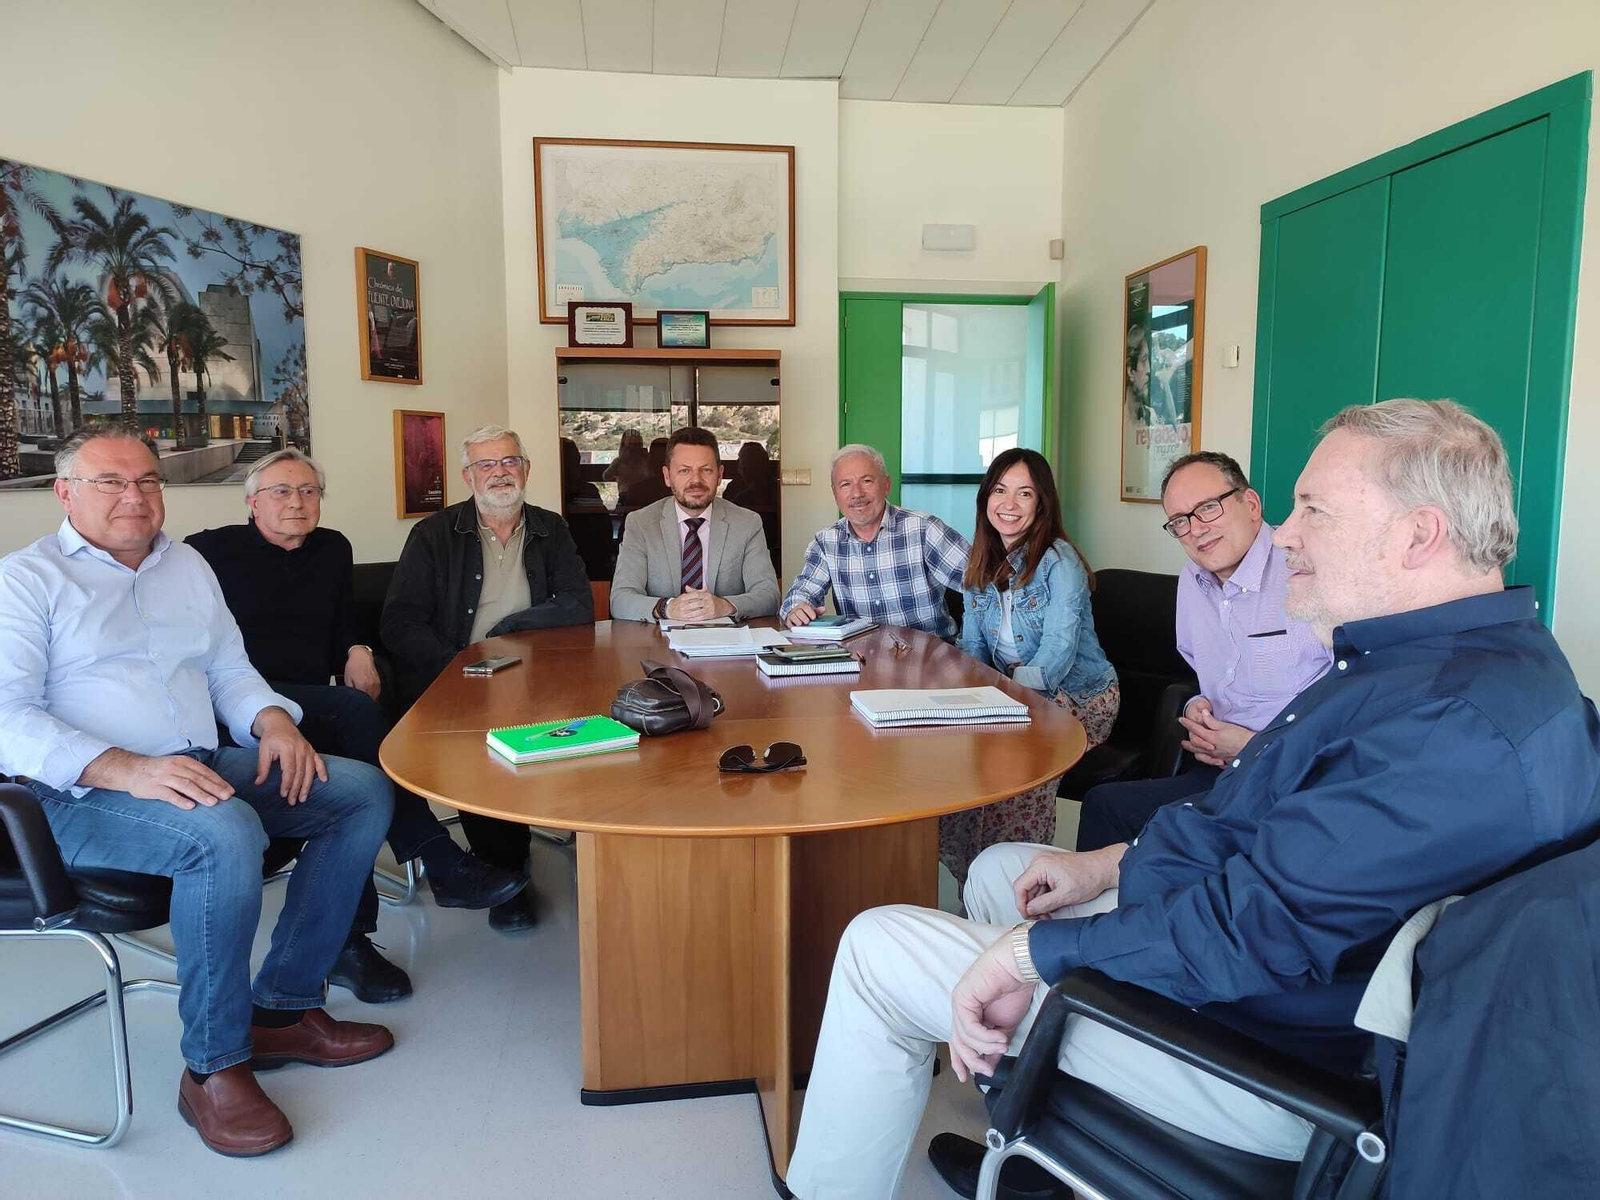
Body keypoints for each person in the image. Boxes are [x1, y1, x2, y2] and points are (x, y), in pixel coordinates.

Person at [785, 399, 1600, 1200]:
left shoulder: (1451, 728)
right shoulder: (1424, 668)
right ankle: (1038, 1152)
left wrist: (1038, 957)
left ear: (1420, 533)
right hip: (1243, 981)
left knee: (877, 943)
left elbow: (1251, 930)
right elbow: (1257, 825)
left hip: (1253, 1055)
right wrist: (1108, 864)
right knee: (1006, 866)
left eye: (1313, 509)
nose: (1286, 533)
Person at [0, 427, 401, 1158]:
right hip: (74, 795)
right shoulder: (26, 579)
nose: (134, 497)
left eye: (147, 481)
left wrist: (274, 721)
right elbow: (6, 716)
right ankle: (211, 1065)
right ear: (64, 493)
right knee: (223, 831)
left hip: (197, 759)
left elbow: (227, 666)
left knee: (361, 791)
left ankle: (281, 1009)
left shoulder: (184, 562)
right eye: (110, 482)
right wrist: (123, 767)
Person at [186, 449, 528, 1002]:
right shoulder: (207, 552)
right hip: (240, 711)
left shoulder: (332, 547)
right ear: (251, 502)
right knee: (358, 716)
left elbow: (342, 623)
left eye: (308, 491)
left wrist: (357, 647)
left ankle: (351, 944)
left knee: (351, 772)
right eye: (280, 491)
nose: (296, 502)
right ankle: (438, 860)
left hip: (311, 705)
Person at [382, 424, 593, 931]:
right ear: (467, 475)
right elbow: (400, 622)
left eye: (508, 461)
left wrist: (506, 631)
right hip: (454, 677)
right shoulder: (434, 534)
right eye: (486, 464)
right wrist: (461, 666)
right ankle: (507, 874)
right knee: (485, 745)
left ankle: (593, 852)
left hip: (540, 675)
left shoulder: (551, 529)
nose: (499, 472)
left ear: (526, 468)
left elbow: (577, 603)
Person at [1076, 450, 1331, 853]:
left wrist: (1252, 746)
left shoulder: (1308, 572)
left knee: (1179, 843)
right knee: (1107, 805)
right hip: (1219, 769)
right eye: (1180, 521)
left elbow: (1353, 711)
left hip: (1295, 779)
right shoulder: (1193, 580)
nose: (1196, 529)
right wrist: (1201, 704)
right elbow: (1208, 672)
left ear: (1250, 504)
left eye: (1208, 509)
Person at [944, 450, 1120, 887]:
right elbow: (973, 647)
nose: (1010, 503)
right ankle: (976, 883)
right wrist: (967, 692)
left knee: (1014, 767)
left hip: (1078, 697)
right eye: (1000, 490)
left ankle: (1016, 886)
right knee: (953, 759)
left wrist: (1003, 697)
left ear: (1042, 503)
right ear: (986, 498)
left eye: (1025, 493)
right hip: (1012, 695)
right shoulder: (981, 561)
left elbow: (1057, 655)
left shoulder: (1061, 563)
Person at [780, 444, 971, 640]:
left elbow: (983, 583)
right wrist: (796, 608)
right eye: (845, 484)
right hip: (862, 660)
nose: (857, 494)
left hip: (928, 658)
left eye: (867, 481)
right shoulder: (826, 542)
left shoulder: (924, 530)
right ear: (835, 493)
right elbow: (800, 594)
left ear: (886, 485)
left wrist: (971, 646)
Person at [609, 426, 780, 622]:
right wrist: (667, 608)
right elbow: (621, 599)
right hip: (659, 643)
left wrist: (725, 605)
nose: (695, 481)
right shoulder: (641, 524)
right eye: (684, 471)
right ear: (667, 476)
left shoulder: (747, 523)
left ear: (719, 475)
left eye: (706, 470)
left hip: (728, 643)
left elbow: (769, 596)